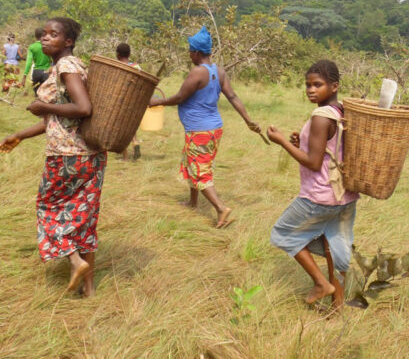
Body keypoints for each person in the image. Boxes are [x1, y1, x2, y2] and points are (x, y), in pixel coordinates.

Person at [0, 17, 106, 297]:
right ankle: (89, 289)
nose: (46, 38)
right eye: (44, 34)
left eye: (53, 34)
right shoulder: (73, 66)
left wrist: (43, 104)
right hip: (90, 156)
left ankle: (74, 260)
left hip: (66, 157)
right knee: (84, 218)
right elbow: (55, 120)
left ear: (67, 42)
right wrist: (20, 135)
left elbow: (83, 108)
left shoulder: (67, 66)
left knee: (48, 208)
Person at [266, 60, 359, 308]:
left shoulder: (320, 116)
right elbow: (330, 149)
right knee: (333, 249)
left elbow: (314, 163)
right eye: (307, 85)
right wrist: (300, 142)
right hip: (344, 195)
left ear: (334, 85)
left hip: (319, 196)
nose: (310, 89)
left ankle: (321, 283)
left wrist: (282, 142)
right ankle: (337, 306)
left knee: (283, 234)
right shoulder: (340, 111)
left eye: (317, 85)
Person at [148, 26, 261, 228]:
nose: (189, 55)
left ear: (197, 52)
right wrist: (248, 119)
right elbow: (233, 97)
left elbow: (181, 97)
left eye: (190, 51)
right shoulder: (219, 72)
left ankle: (221, 208)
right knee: (193, 163)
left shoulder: (197, 72)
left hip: (200, 131)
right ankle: (193, 201)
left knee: (200, 170)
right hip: (212, 129)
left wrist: (157, 102)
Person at [116, 42, 142, 160]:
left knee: (121, 128)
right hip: (134, 101)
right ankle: (135, 142)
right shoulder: (137, 67)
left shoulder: (116, 67)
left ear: (118, 54)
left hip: (121, 101)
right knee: (131, 125)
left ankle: (125, 156)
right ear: (129, 53)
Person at [21, 28, 51, 95]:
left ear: (35, 36)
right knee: (46, 95)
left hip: (36, 72)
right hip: (46, 72)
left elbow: (29, 62)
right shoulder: (48, 45)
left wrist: (24, 76)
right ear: (44, 35)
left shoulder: (32, 47)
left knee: (37, 95)